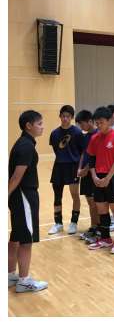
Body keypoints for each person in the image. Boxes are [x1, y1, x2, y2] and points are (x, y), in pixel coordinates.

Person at [8, 110, 48, 293]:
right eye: (39, 124)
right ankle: (23, 281)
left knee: (16, 236)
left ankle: (10, 275)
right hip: (24, 195)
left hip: (19, 196)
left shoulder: (23, 143)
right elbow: (16, 177)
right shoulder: (26, 147)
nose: (42, 127)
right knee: (26, 240)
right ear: (28, 126)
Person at [86, 107, 114, 254]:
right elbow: (91, 159)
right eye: (97, 123)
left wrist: (108, 178)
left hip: (113, 177)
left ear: (109, 121)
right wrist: (94, 176)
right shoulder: (94, 138)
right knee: (102, 210)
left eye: (101, 122)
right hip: (98, 177)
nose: (98, 125)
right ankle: (105, 238)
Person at [48, 105, 84, 235]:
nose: (65, 118)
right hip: (59, 166)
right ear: (60, 116)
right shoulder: (54, 133)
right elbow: (56, 150)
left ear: (71, 117)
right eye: (63, 116)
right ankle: (58, 223)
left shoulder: (77, 133)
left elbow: (82, 152)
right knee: (57, 196)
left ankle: (74, 222)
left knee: (75, 195)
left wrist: (79, 167)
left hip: (73, 167)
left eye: (68, 116)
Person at [75, 110, 99, 243]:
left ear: (90, 121)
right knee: (90, 202)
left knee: (96, 202)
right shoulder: (85, 136)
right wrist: (79, 168)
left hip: (93, 173)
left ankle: (99, 228)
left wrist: (85, 169)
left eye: (82, 124)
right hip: (85, 173)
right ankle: (93, 226)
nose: (81, 127)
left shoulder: (97, 135)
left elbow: (96, 157)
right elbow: (84, 153)